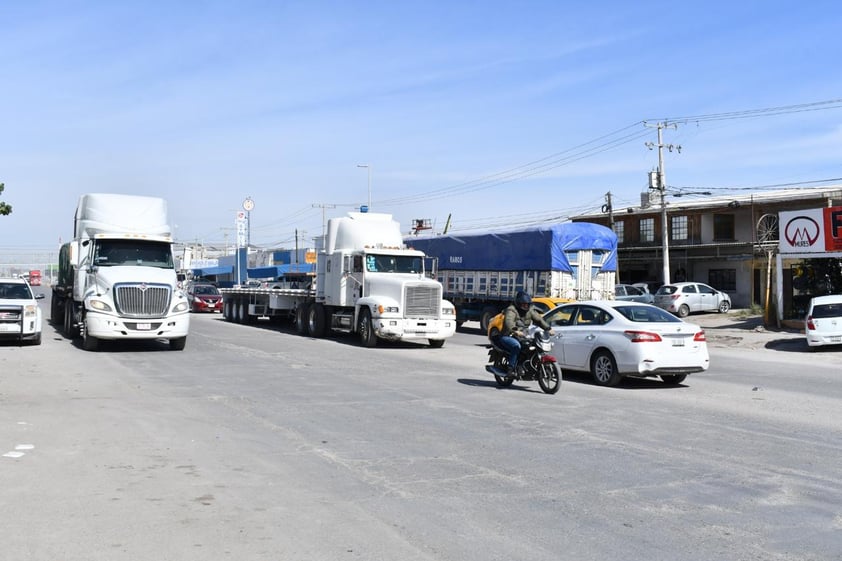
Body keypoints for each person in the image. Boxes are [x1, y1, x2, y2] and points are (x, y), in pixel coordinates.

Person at [492, 291, 554, 376]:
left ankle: (525, 365)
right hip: (508, 335)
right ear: (518, 303)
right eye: (524, 304)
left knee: (533, 346)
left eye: (527, 304)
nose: (526, 306)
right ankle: (511, 369)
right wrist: (515, 331)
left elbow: (539, 320)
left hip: (523, 335)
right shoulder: (511, 310)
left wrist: (548, 328)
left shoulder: (530, 310)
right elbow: (508, 322)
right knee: (516, 346)